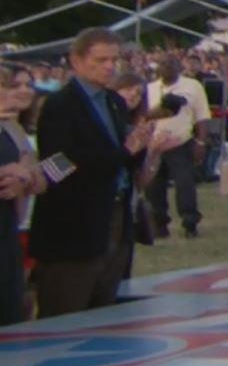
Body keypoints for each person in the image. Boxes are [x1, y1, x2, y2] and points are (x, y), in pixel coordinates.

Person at [29, 30, 183, 318]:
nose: (109, 66)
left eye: (114, 59)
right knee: (67, 310)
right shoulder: (60, 105)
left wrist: (140, 147)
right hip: (74, 224)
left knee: (104, 308)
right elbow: (62, 162)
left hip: (115, 213)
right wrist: (125, 150)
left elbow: (121, 153)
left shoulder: (114, 101)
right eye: (100, 60)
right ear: (76, 60)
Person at [144, 53, 211, 240]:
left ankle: (190, 223)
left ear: (178, 66)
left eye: (171, 64)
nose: (166, 67)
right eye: (163, 64)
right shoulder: (149, 89)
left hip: (180, 142)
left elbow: (202, 116)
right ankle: (159, 224)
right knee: (154, 186)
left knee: (185, 184)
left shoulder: (192, 86)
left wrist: (200, 141)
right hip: (155, 144)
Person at [1, 66, 43, 325]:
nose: (23, 91)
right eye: (14, 85)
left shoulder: (26, 127)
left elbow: (67, 163)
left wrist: (28, 177)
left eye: (29, 84)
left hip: (24, 222)